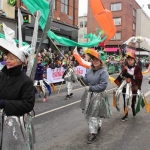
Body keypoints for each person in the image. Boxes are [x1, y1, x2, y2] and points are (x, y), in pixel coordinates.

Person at [0, 24, 35, 149]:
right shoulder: (1, 75)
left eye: (11, 58)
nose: (7, 60)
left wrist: (5, 103)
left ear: (20, 61)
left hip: (15, 125)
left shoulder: (26, 81)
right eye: (7, 57)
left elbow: (28, 105)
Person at [77, 48, 111, 144]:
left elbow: (103, 86)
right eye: (94, 60)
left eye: (97, 60)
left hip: (98, 96)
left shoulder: (103, 72)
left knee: (93, 115)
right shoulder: (89, 70)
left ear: (100, 61)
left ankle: (93, 133)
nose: (95, 62)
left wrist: (91, 88)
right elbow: (87, 81)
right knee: (87, 114)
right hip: (88, 95)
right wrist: (80, 78)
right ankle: (97, 125)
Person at [114, 50, 143, 121]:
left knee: (132, 99)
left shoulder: (137, 67)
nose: (130, 61)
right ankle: (125, 115)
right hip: (125, 85)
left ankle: (133, 107)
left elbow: (140, 77)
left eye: (131, 60)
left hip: (134, 85)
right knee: (125, 99)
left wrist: (131, 76)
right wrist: (124, 73)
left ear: (134, 60)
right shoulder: (125, 67)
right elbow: (121, 76)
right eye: (128, 60)